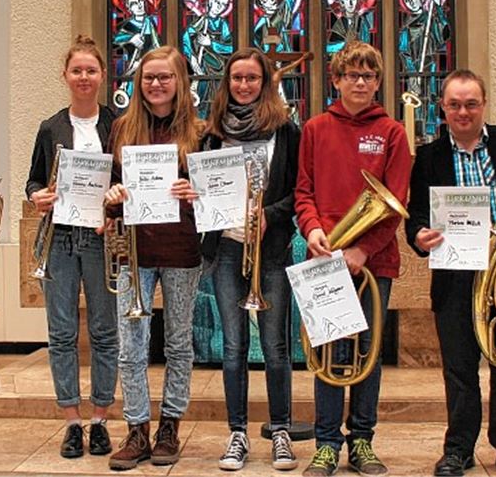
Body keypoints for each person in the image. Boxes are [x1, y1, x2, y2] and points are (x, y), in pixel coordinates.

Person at [405, 69, 496, 477]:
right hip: (456, 274)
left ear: (483, 105)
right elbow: (415, 215)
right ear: (443, 109)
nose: (463, 112)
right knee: (459, 366)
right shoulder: (429, 156)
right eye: (454, 104)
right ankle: (458, 449)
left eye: (471, 104)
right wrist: (419, 234)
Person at [295, 41, 411, 477]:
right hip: (325, 256)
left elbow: (396, 202)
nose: (360, 82)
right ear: (337, 79)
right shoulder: (315, 128)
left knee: (368, 353)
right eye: (352, 75)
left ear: (378, 82)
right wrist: (313, 229)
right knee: (329, 350)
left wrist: (364, 249)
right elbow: (303, 191)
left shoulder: (392, 133)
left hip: (373, 262)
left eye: (368, 76)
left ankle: (362, 440)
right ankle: (326, 443)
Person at [102, 45, 204, 471]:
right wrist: (112, 199)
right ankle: (137, 427)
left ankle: (170, 427)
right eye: (148, 77)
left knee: (179, 343)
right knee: (131, 345)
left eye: (164, 77)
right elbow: (106, 191)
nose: (156, 84)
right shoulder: (123, 128)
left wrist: (193, 193)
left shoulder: (200, 131)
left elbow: (216, 198)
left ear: (180, 82)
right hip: (133, 252)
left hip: (182, 250)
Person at [200, 48, 300, 472]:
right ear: (227, 83)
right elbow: (201, 187)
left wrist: (270, 215)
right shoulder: (211, 133)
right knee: (234, 345)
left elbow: (299, 190)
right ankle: (237, 433)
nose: (244, 85)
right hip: (225, 248)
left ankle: (280, 432)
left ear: (265, 83)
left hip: (271, 249)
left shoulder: (286, 131)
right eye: (237, 78)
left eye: (252, 78)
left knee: (276, 347)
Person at [25, 35, 119, 459]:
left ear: (102, 75)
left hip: (100, 237)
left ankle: (100, 419)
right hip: (60, 237)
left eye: (91, 70)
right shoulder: (51, 127)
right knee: (61, 333)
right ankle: (72, 422)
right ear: (65, 76)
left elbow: (126, 177)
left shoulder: (116, 124)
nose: (84, 77)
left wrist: (118, 192)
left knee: (104, 331)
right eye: (76, 70)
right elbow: (33, 179)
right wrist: (35, 197)